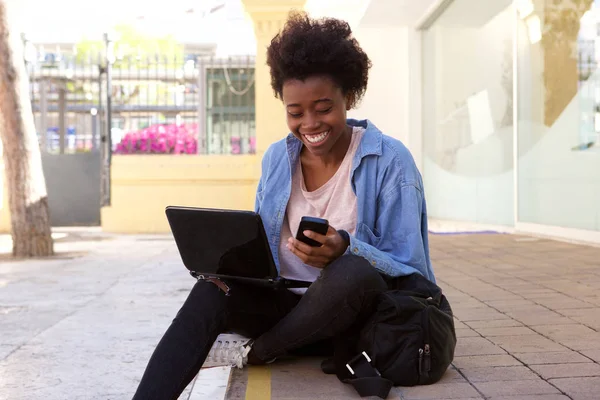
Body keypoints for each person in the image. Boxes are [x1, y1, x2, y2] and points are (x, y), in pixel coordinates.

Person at [132, 11, 435, 400]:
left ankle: (257, 352)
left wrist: (345, 248)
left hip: (353, 322)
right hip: (286, 309)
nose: (310, 123)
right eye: (295, 112)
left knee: (352, 272)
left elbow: (413, 270)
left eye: (324, 108)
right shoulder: (278, 158)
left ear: (350, 96)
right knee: (211, 289)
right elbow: (263, 248)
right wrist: (233, 263)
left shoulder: (390, 160)